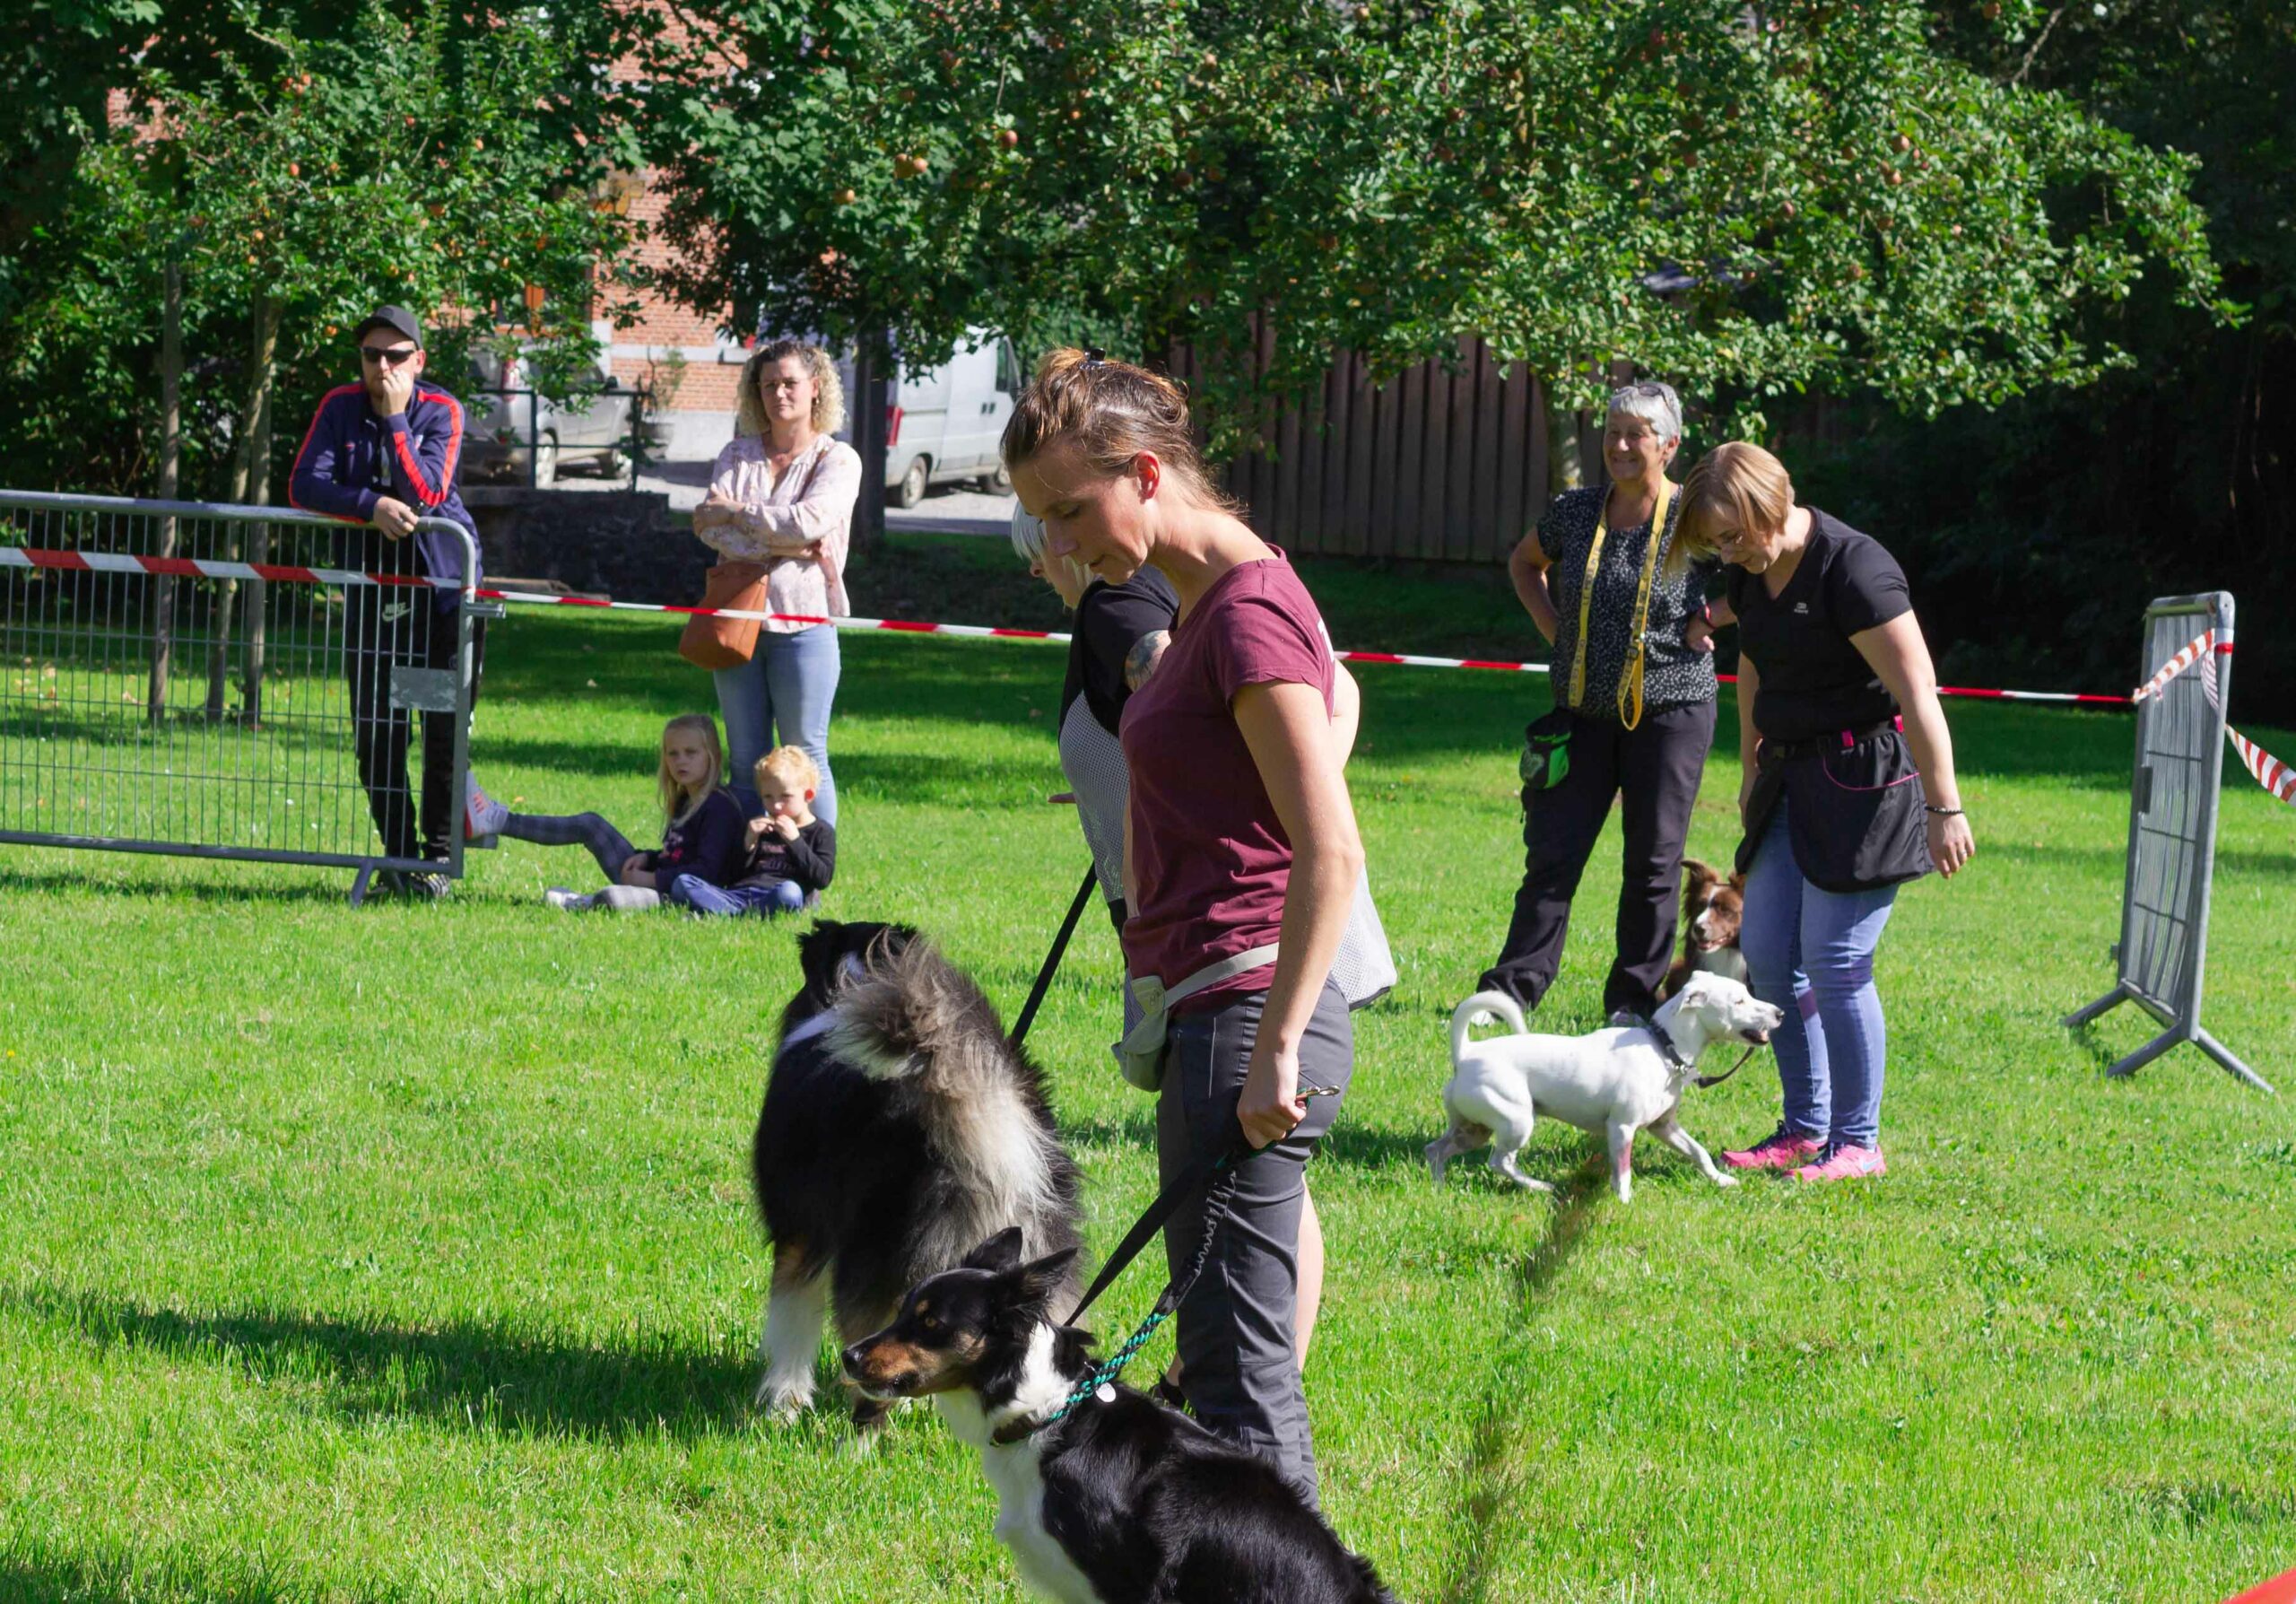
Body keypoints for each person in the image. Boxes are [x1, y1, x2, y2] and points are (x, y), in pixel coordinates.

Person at [1004, 347, 1363, 1505]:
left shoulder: (1243, 611)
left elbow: (1333, 851)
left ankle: (1292, 1582)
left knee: (1236, 1386)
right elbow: (1338, 707)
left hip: (1247, 1014)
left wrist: (1276, 1049)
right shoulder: (1223, 602)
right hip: (1219, 1009)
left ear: (1146, 474)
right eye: (1041, 520)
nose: (1059, 545)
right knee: (1227, 1373)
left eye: (1070, 510)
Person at [1678, 441, 1975, 1182]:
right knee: (1769, 954)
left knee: (1837, 961)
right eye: (1716, 543)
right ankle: (1805, 1128)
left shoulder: (1855, 569)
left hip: (1863, 781)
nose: (1728, 553)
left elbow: (1918, 690)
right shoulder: (1750, 575)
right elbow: (1753, 665)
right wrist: (1750, 765)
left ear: (1770, 505)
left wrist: (1945, 806)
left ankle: (1859, 1143)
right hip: (1788, 776)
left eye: (1733, 535)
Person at [1479, 379, 1723, 1024]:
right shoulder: (1576, 510)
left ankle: (1632, 1005)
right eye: (1612, 432)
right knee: (1552, 856)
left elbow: (1760, 574)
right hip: (1582, 716)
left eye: (1635, 435)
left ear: (1669, 445)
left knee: (1653, 864)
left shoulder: (1697, 516)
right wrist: (1557, 632)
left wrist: (1712, 618)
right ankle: (1509, 991)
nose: (1618, 445)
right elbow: (1524, 564)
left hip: (1670, 715)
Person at [288, 305, 483, 899]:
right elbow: (304, 484)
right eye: (372, 355)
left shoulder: (441, 410)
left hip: (441, 595)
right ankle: (401, 861)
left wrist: (397, 420)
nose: (382, 366)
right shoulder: (340, 406)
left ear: (418, 361)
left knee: (440, 732)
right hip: (374, 595)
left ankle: (438, 858)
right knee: (378, 736)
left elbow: (426, 492)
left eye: (396, 356)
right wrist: (368, 506)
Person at [692, 339, 860, 824]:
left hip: (805, 625)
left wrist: (738, 513)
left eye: (789, 383)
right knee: (746, 758)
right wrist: (794, 547)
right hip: (735, 621)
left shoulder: (838, 459)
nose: (779, 393)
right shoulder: (737, 453)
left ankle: (814, 862)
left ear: (815, 388)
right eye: (768, 385)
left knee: (806, 755)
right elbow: (708, 528)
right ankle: (751, 861)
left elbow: (810, 521)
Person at [465, 714, 746, 911]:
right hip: (658, 879)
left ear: (712, 756)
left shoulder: (719, 807)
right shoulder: (686, 798)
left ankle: (580, 902)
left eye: (690, 752)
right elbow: (677, 854)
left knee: (613, 898)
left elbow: (706, 874)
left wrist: (652, 880)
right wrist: (648, 858)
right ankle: (497, 820)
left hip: (685, 898)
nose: (680, 761)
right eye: (673, 753)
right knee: (590, 824)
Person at [665, 746, 837, 917]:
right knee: (682, 882)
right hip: (740, 894)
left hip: (777, 895)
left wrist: (795, 841)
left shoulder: (821, 831)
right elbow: (730, 876)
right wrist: (748, 844)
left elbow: (822, 878)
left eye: (785, 797)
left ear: (808, 795)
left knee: (790, 893)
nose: (776, 806)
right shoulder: (761, 827)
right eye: (768, 797)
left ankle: (722, 912)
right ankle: (739, 913)